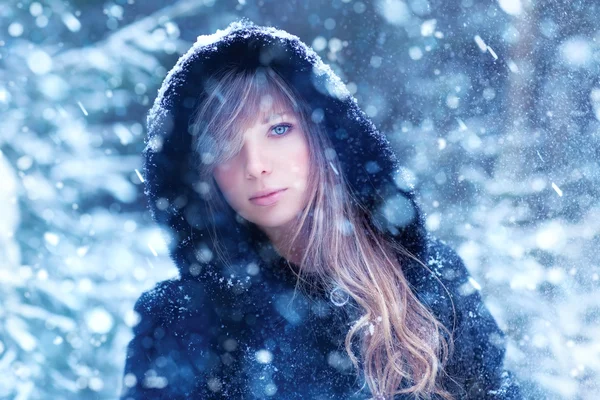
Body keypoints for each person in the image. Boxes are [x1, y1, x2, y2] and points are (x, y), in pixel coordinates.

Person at [120, 19, 522, 400]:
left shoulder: (428, 280)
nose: (256, 164)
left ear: (323, 133)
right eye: (224, 145)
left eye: (278, 129)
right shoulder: (176, 322)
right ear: (202, 173)